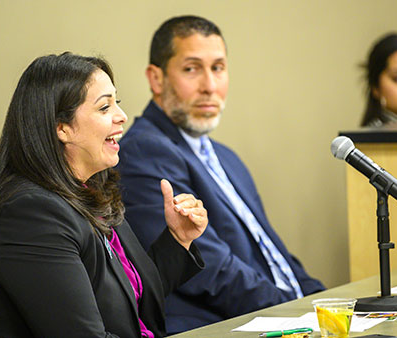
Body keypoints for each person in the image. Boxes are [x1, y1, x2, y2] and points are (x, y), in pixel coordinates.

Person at [0, 52, 208, 338]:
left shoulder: (88, 190)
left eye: (118, 103)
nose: (122, 116)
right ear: (61, 128)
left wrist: (179, 239)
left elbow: (127, 299)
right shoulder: (29, 214)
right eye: (104, 108)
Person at [117, 15, 325, 334]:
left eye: (218, 68)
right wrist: (294, 309)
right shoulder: (144, 149)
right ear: (156, 79)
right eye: (191, 69)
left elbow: (270, 249)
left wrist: (321, 299)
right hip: (216, 325)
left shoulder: (225, 157)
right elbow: (209, 267)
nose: (209, 86)